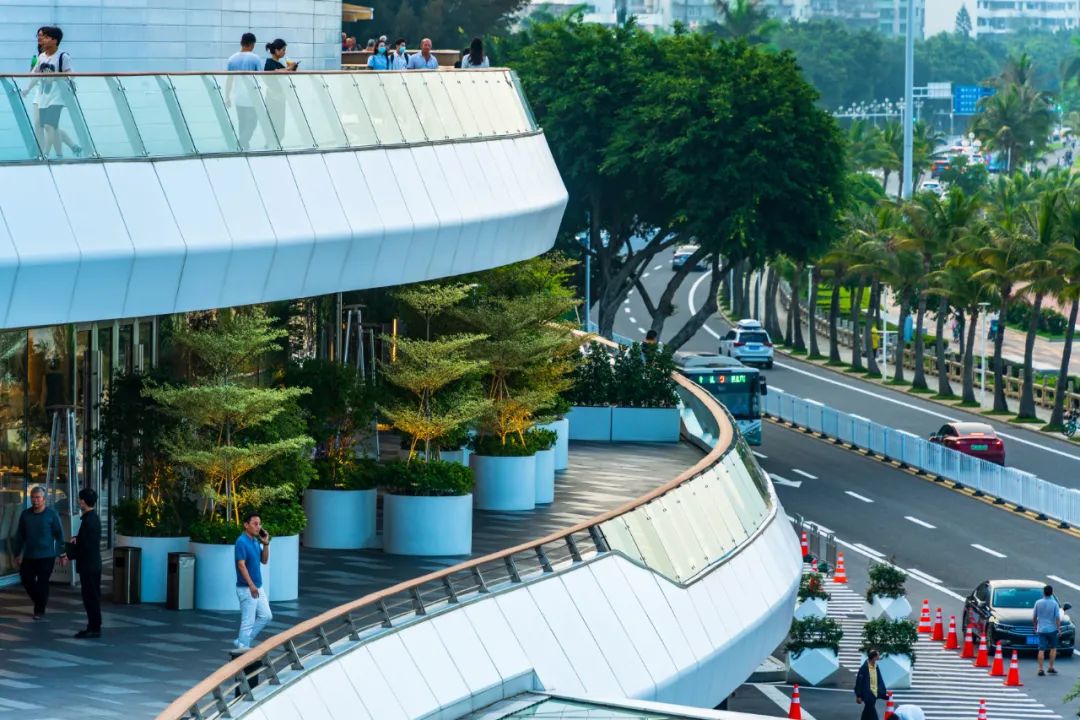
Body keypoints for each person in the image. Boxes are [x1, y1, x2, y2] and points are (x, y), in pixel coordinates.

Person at [22, 26, 82, 158]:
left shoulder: (63, 56)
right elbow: (35, 75)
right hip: (43, 96)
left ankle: (47, 154)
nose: (42, 39)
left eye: (46, 37)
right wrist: (27, 88)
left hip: (57, 96)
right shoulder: (41, 56)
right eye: (40, 36)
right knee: (45, 125)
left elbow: (71, 75)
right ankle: (60, 152)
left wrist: (55, 77)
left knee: (50, 125)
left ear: (55, 40)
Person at [12, 486, 65, 619]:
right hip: (29, 555)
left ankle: (39, 610)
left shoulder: (52, 515)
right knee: (26, 579)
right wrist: (17, 554)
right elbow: (20, 535)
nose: (35, 500)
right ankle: (40, 601)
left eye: (38, 497)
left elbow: (59, 535)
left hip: (46, 556)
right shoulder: (25, 515)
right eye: (33, 497)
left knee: (42, 582)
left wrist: (62, 554)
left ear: (44, 499)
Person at [234, 511, 272, 650]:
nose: (258, 527)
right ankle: (243, 649)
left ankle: (242, 642)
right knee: (248, 622)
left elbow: (264, 560)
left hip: (257, 586)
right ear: (246, 525)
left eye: (259, 524)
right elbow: (241, 565)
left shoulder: (255, 541)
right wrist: (251, 585)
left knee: (266, 616)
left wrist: (265, 544)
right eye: (255, 524)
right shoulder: (241, 542)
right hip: (246, 588)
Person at [69, 488, 102, 639]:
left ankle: (94, 628)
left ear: (83, 501)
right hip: (92, 564)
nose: (78, 501)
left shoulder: (89, 521)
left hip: (89, 566)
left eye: (80, 499)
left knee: (90, 598)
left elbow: (86, 546)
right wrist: (77, 540)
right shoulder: (92, 518)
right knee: (91, 597)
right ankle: (93, 626)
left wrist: (69, 554)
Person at [225, 33, 262, 148]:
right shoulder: (255, 58)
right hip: (252, 97)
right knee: (252, 123)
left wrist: (227, 96)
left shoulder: (232, 59)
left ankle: (243, 147)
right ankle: (241, 143)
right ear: (252, 44)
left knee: (242, 123)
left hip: (238, 97)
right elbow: (260, 77)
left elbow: (229, 80)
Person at [1034, 584, 1061, 676]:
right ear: (1051, 593)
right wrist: (1059, 629)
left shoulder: (1038, 603)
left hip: (1041, 629)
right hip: (1052, 629)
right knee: (1053, 648)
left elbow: (1034, 617)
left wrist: (1035, 627)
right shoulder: (1054, 604)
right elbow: (1057, 617)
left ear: (1043, 593)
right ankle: (1051, 667)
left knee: (1041, 649)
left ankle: (1041, 669)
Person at [854, 649, 888, 720]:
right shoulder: (864, 667)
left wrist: (882, 691)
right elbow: (859, 682)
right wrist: (858, 695)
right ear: (874, 657)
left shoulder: (876, 666)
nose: (879, 657)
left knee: (868, 709)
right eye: (878, 655)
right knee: (871, 709)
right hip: (868, 692)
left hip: (875, 692)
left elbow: (879, 679)